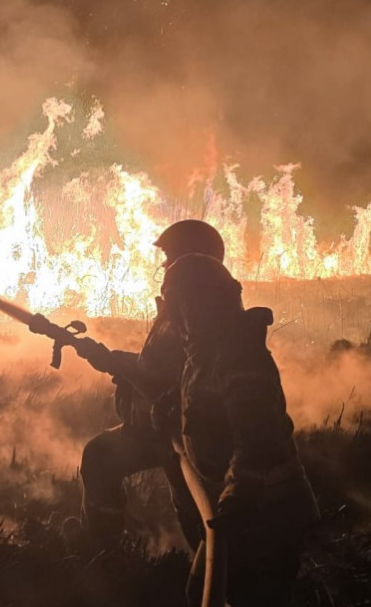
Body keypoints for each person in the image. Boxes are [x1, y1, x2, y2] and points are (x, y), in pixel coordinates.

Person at [156, 252, 319, 607]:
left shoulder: (239, 356)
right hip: (237, 512)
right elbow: (204, 406)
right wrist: (172, 408)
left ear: (196, 304)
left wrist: (236, 503)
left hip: (266, 512)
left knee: (249, 596)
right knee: (204, 592)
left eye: (177, 305)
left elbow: (257, 439)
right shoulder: (203, 351)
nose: (172, 318)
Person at [75, 220, 226, 553]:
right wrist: (106, 357)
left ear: (193, 259)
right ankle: (102, 552)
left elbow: (176, 379)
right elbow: (155, 367)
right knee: (100, 457)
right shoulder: (180, 307)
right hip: (156, 427)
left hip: (186, 434)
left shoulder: (201, 314)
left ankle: (216, 582)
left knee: (198, 514)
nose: (164, 265)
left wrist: (116, 364)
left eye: (170, 256)